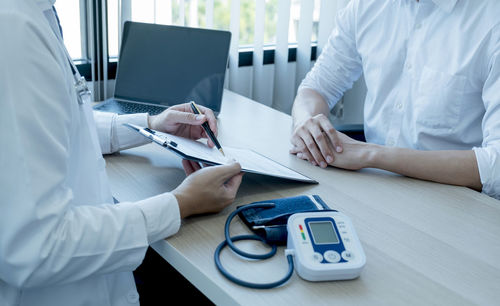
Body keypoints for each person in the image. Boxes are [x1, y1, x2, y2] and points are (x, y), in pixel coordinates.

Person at [0, 1, 243, 305]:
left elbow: (62, 122)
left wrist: (152, 124)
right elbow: (37, 247)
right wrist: (180, 204)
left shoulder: (32, 14)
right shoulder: (14, 28)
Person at [291, 0, 500, 199]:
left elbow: (496, 166)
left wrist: (372, 155)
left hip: (457, 202)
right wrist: (308, 126)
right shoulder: (367, 6)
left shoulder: (492, 22)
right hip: (374, 186)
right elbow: (316, 88)